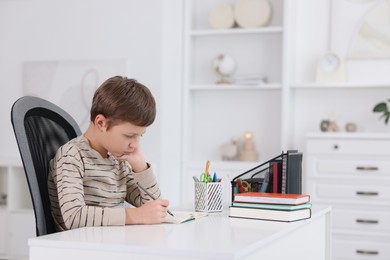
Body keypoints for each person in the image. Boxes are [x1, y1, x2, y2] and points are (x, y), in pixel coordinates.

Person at [48, 76, 170, 231]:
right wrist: (135, 216)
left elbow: (152, 207)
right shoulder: (72, 155)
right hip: (81, 247)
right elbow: (73, 216)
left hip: (112, 240)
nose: (135, 145)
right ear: (101, 123)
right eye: (129, 136)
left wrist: (141, 167)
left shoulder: (118, 159)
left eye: (140, 136)